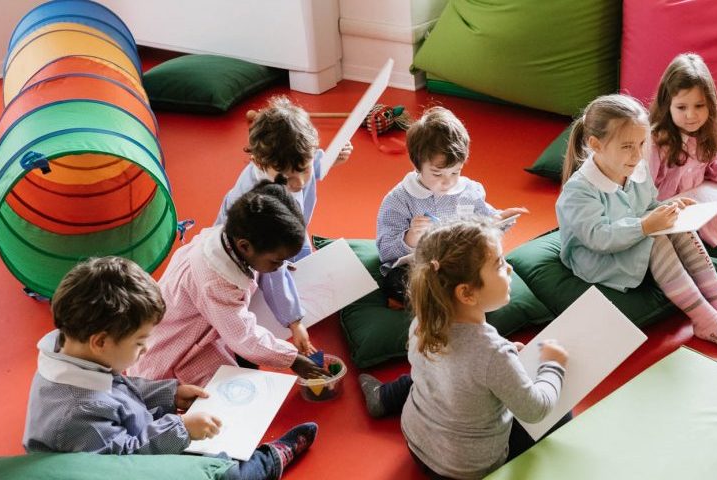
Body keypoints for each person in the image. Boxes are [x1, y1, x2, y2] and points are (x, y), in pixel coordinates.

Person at [23, 257, 317, 480]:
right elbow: (122, 465)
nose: (146, 349)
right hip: (114, 467)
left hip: (125, 432)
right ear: (100, 341)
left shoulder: (71, 353)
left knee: (202, 428)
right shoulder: (77, 414)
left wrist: (169, 393)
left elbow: (121, 387)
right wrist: (180, 430)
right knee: (220, 474)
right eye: (139, 343)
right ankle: (267, 462)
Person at [361, 220, 568, 479]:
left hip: (416, 442)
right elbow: (535, 409)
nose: (511, 268)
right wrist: (552, 365)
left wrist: (505, 360)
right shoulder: (494, 353)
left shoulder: (423, 320)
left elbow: (466, 362)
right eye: (500, 265)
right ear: (467, 294)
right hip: (466, 469)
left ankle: (383, 397)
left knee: (429, 375)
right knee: (561, 410)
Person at [556, 94, 717, 349]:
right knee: (657, 239)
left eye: (641, 145)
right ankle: (703, 319)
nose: (638, 154)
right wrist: (645, 226)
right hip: (595, 257)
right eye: (627, 146)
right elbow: (598, 238)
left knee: (679, 227)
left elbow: (648, 206)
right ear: (596, 144)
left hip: (631, 234)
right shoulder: (579, 190)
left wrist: (668, 208)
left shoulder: (635, 169)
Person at [131, 179, 328, 387]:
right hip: (175, 350)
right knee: (225, 398)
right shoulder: (216, 281)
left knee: (243, 371)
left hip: (201, 333)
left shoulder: (231, 238)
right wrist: (293, 359)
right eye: (276, 261)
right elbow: (243, 336)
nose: (278, 267)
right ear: (245, 247)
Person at [217, 95, 352, 354]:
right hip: (247, 247)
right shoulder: (259, 202)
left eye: (306, 168)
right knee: (251, 288)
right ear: (259, 163)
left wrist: (331, 159)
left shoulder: (294, 164)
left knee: (302, 263)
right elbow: (272, 268)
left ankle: (296, 298)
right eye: (288, 178)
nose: (300, 182)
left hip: (290, 229)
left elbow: (308, 164)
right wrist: (294, 321)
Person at [376, 106, 527, 305]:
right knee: (398, 282)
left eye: (455, 172)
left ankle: (448, 299)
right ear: (417, 165)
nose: (447, 182)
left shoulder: (468, 191)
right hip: (419, 266)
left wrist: (500, 219)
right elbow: (385, 251)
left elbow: (483, 223)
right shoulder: (399, 199)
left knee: (486, 269)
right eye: (437, 174)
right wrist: (410, 237)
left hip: (457, 263)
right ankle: (440, 300)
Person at [648, 53, 717, 249]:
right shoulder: (656, 142)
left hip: (703, 205)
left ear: (710, 105)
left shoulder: (703, 135)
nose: (691, 115)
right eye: (681, 107)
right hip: (672, 213)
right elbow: (644, 189)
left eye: (699, 106)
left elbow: (714, 161)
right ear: (668, 106)